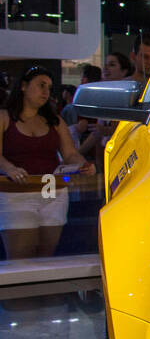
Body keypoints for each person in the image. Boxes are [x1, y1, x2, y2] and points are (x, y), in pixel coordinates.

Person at [0, 66, 97, 260]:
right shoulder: (4, 117)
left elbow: (69, 154)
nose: (46, 92)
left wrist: (83, 164)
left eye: (49, 87)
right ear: (23, 86)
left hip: (52, 190)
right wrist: (10, 168)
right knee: (20, 259)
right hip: (15, 192)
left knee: (46, 258)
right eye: (41, 85)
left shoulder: (54, 121)